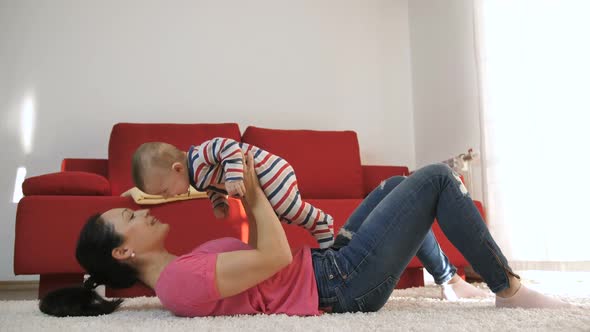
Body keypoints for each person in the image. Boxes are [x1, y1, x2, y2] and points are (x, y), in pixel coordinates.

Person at [39, 154, 569, 317]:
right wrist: (250, 189)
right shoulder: (180, 282)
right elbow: (271, 253)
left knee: (392, 183)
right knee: (434, 178)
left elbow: (267, 258)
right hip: (342, 283)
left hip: (328, 263)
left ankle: (448, 279)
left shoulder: (185, 264)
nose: (143, 213)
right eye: (129, 218)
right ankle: (509, 291)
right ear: (124, 250)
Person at [131, 138, 334, 248]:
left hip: (267, 169)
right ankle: (317, 228)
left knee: (287, 207)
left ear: (177, 169)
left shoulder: (201, 155)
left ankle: (321, 221)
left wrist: (234, 177)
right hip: (260, 180)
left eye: (165, 191)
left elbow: (228, 146)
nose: (167, 197)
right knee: (280, 215)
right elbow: (213, 187)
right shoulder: (195, 179)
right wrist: (219, 203)